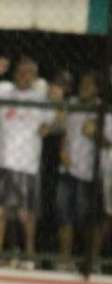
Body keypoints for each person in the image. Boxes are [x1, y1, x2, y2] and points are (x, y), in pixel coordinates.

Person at [0, 56, 60, 268]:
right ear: (15, 73)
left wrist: (58, 103)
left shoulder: (40, 98)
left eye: (29, 72)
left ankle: (29, 255)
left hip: (26, 163)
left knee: (27, 212)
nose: (24, 75)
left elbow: (50, 126)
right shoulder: (3, 90)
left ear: (35, 76)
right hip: (1, 159)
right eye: (21, 71)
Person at [56, 71, 101, 271]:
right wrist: (61, 151)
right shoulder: (72, 104)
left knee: (86, 220)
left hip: (88, 172)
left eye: (89, 84)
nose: (84, 87)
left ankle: (89, 260)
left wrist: (96, 132)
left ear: (97, 88)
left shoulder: (101, 108)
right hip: (67, 168)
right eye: (83, 82)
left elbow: (106, 139)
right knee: (64, 216)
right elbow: (64, 131)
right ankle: (64, 260)